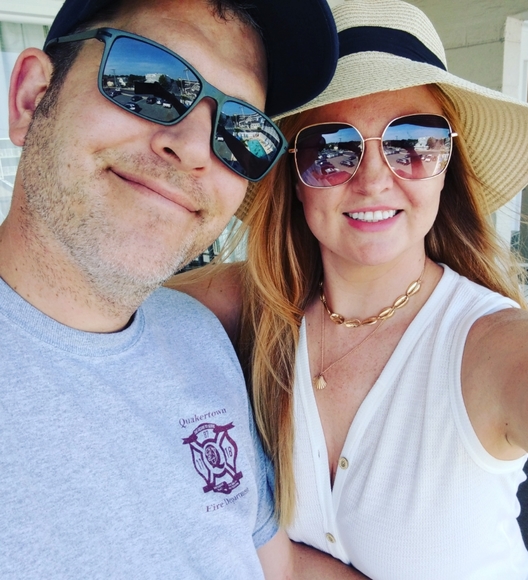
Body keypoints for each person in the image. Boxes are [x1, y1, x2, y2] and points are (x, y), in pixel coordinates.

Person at [170, 0, 528, 578]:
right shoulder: (252, 304)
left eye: (411, 142)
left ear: (446, 164)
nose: (372, 180)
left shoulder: (500, 349)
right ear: (294, 175)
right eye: (330, 148)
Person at [0, 0, 369, 577]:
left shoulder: (198, 337)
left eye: (240, 130)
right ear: (31, 97)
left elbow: (280, 568)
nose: (195, 148)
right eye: (151, 81)